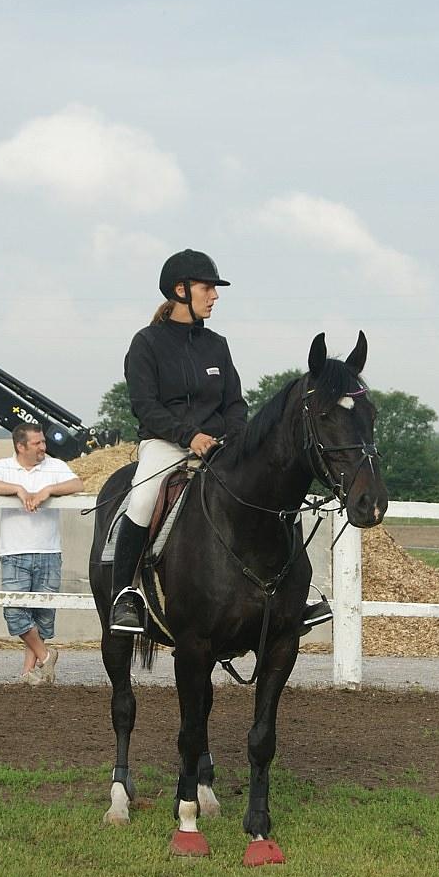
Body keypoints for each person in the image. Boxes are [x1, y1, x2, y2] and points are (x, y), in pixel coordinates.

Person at [109, 248, 333, 636]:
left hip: (219, 445)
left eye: (214, 289)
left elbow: (235, 403)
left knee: (270, 493)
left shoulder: (217, 344)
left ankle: (295, 594)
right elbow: (145, 406)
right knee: (144, 497)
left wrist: (232, 438)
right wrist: (188, 435)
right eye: (207, 288)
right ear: (181, 290)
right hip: (165, 444)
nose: (214, 296)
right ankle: (125, 594)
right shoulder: (146, 343)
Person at [0, 423, 84, 684]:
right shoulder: (3, 466)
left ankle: (30, 672)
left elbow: (77, 484)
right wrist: (18, 489)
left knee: (42, 617)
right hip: (14, 552)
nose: (43, 448)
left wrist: (48, 490)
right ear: (21, 446)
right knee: (14, 611)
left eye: (43, 443)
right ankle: (46, 656)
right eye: (37, 444)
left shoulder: (55, 466)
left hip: (49, 551)